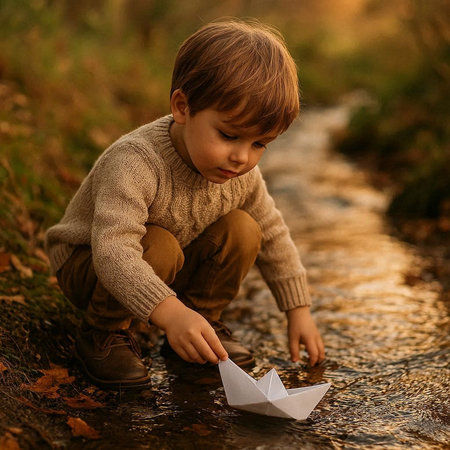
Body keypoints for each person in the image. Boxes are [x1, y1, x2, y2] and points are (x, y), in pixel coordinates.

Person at [45, 19, 325, 390]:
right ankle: (103, 333)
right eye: (228, 134)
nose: (242, 157)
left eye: (260, 144)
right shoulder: (135, 162)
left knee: (245, 229)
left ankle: (199, 329)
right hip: (90, 264)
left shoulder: (239, 175)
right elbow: (113, 252)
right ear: (182, 107)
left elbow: (274, 235)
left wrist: (298, 309)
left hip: (164, 259)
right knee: (159, 244)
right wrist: (169, 311)